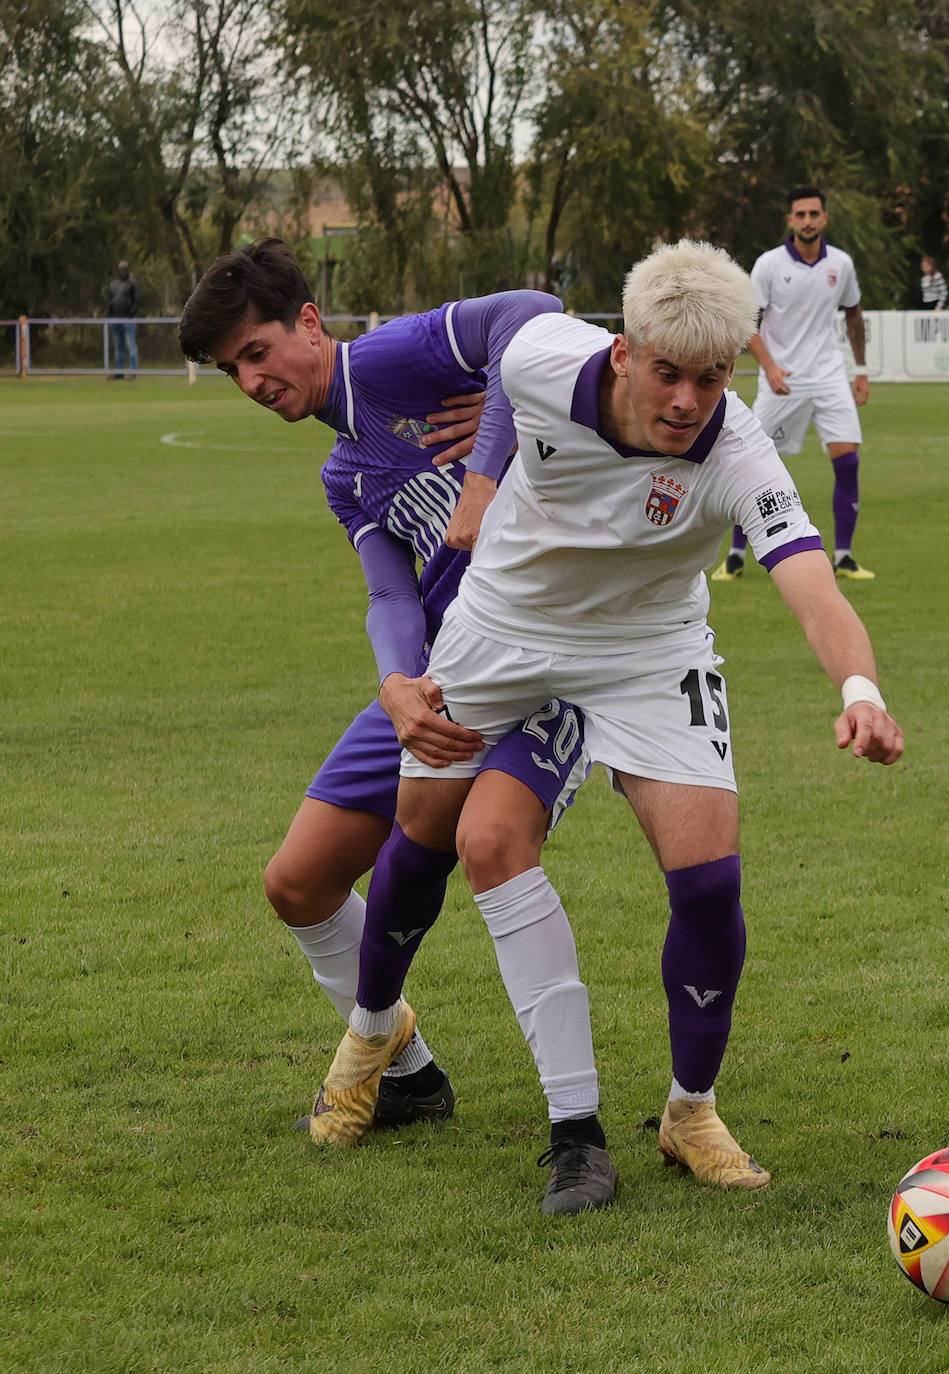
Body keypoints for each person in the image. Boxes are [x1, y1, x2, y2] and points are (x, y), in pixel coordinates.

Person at [312, 240, 904, 1218]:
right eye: (667, 373)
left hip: (648, 651)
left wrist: (856, 690)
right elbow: (504, 338)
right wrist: (486, 463)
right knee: (418, 837)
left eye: (710, 379)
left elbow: (805, 578)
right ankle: (371, 1031)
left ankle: (690, 1112)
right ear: (623, 351)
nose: (685, 401)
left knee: (709, 879)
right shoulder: (547, 360)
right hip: (500, 630)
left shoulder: (737, 448)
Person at [177, 239, 588, 1135]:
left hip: (552, 661)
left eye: (256, 352)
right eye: (229, 370)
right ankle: (406, 1071)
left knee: (485, 844)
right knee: (297, 883)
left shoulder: (396, 357)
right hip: (443, 675)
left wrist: (488, 454)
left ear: (310, 323)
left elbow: (532, 309)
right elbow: (390, 592)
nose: (250, 382)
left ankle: (582, 1123)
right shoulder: (342, 473)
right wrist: (397, 685)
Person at [712, 186, 874, 583]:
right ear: (789, 220)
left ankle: (845, 557)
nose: (807, 221)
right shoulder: (768, 265)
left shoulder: (841, 263)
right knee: (748, 459)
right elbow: (750, 323)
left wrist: (862, 370)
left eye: (813, 214)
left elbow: (854, 316)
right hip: (781, 379)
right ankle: (734, 556)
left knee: (848, 459)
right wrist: (769, 367)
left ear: (825, 218)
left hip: (829, 374)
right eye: (799, 214)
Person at [104, 260, 140, 379]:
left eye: (124, 268)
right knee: (118, 346)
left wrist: (131, 313)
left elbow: (136, 300)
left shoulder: (132, 283)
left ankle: (133, 371)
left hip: (128, 319)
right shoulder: (113, 284)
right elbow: (110, 299)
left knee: (131, 345)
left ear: (128, 269)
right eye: (120, 268)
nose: (122, 271)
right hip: (115, 318)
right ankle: (119, 372)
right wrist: (109, 313)